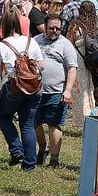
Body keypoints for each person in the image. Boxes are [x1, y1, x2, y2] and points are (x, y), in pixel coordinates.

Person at [0, 8, 45, 171]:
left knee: (3, 118)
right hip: (33, 87)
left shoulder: (1, 45)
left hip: (13, 86)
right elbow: (42, 65)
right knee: (27, 124)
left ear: (3, 25)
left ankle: (16, 151)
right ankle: (30, 164)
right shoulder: (31, 41)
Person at [34, 14, 78, 169]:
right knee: (34, 123)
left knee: (54, 124)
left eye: (58, 28)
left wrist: (67, 90)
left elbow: (72, 69)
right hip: (36, 91)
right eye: (51, 28)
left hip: (56, 92)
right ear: (45, 27)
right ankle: (42, 147)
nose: (54, 31)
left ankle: (54, 159)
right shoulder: (35, 41)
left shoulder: (65, 45)